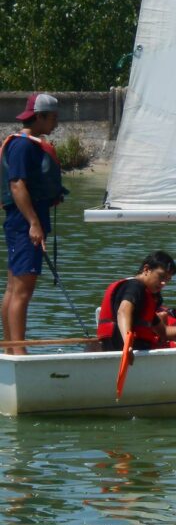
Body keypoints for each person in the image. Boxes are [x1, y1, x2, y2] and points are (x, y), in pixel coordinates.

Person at [1, 93, 68, 353]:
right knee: (21, 291)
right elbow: (16, 185)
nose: (56, 124)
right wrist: (34, 223)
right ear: (38, 116)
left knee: (14, 288)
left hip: (22, 223)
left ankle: (10, 348)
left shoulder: (27, 144)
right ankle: (18, 351)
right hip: (23, 225)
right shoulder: (23, 145)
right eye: (53, 118)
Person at [97, 251, 176, 352]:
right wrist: (127, 344)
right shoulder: (135, 287)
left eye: (168, 280)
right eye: (161, 276)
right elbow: (123, 311)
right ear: (146, 269)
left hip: (121, 348)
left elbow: (163, 332)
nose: (163, 283)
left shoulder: (144, 296)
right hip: (129, 349)